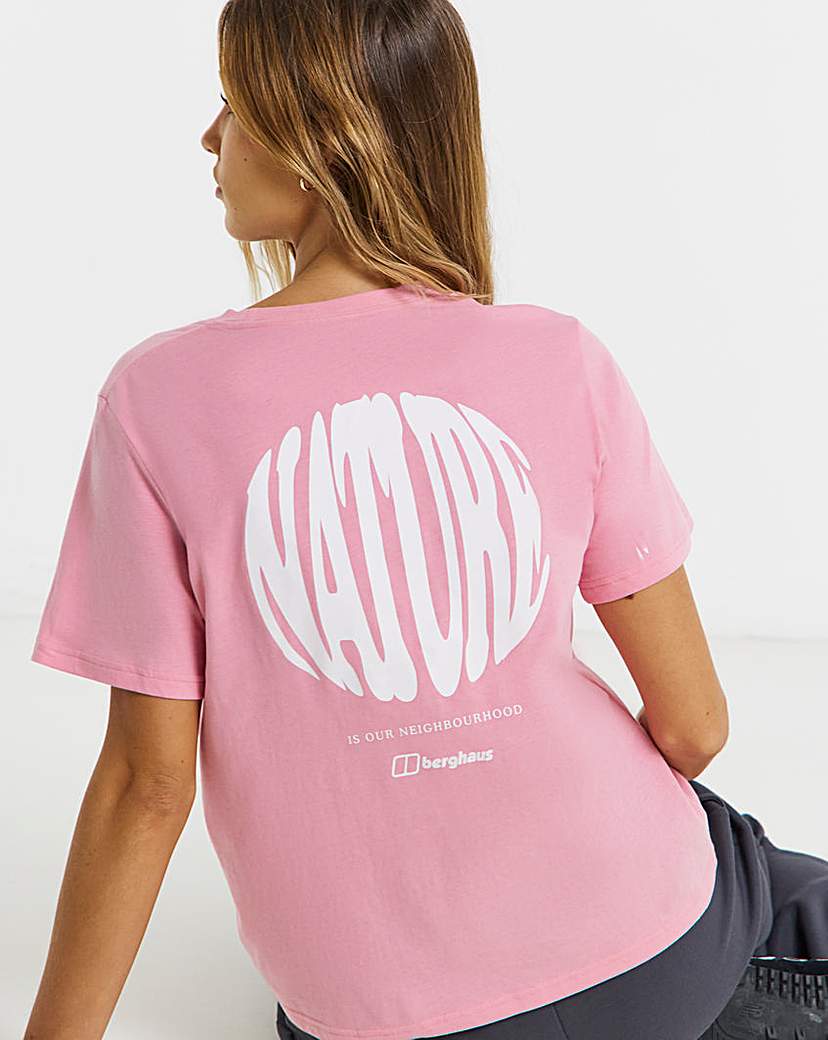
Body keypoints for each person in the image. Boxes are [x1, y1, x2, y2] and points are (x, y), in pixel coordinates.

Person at [23, 2, 828, 1039]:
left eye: (235, 105)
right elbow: (695, 727)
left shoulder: (157, 397)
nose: (210, 137)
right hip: (657, 952)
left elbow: (145, 784)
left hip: (368, 1014)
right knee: (782, 894)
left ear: (320, 135)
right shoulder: (556, 356)